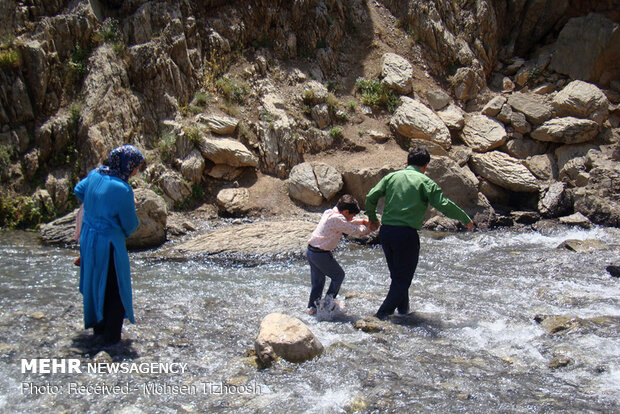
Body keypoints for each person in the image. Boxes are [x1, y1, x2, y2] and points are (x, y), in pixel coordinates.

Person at [365, 146, 474, 320]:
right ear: (426, 165)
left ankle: (403, 313)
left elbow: (371, 196)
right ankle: (380, 316)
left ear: (407, 162)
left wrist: (372, 218)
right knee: (403, 279)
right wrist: (465, 218)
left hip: (386, 232)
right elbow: (443, 204)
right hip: (406, 235)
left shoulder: (392, 177)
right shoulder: (425, 182)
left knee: (398, 276)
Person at [74, 144, 145, 346]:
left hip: (88, 239)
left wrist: (96, 205)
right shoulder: (123, 190)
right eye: (136, 167)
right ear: (128, 166)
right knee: (116, 290)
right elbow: (130, 225)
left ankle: (98, 331)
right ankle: (111, 340)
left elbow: (79, 190)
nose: (136, 171)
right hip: (109, 244)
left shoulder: (95, 174)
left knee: (96, 284)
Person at [306, 194, 371, 315]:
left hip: (311, 251)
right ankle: (327, 305)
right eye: (352, 214)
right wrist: (370, 228)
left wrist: (362, 221)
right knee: (338, 275)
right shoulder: (338, 219)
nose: (353, 217)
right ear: (345, 211)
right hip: (321, 254)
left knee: (318, 282)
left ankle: (312, 308)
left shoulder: (330, 212)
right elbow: (356, 231)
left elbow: (348, 221)